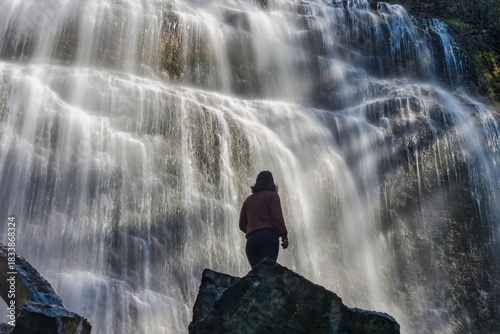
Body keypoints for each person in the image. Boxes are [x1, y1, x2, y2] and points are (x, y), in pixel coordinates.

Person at [239, 171, 289, 269]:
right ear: (271, 182)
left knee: (257, 275)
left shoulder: (248, 200)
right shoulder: (272, 195)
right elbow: (276, 217)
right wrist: (284, 236)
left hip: (251, 241)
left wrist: (253, 230)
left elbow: (241, 225)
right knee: (267, 272)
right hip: (268, 238)